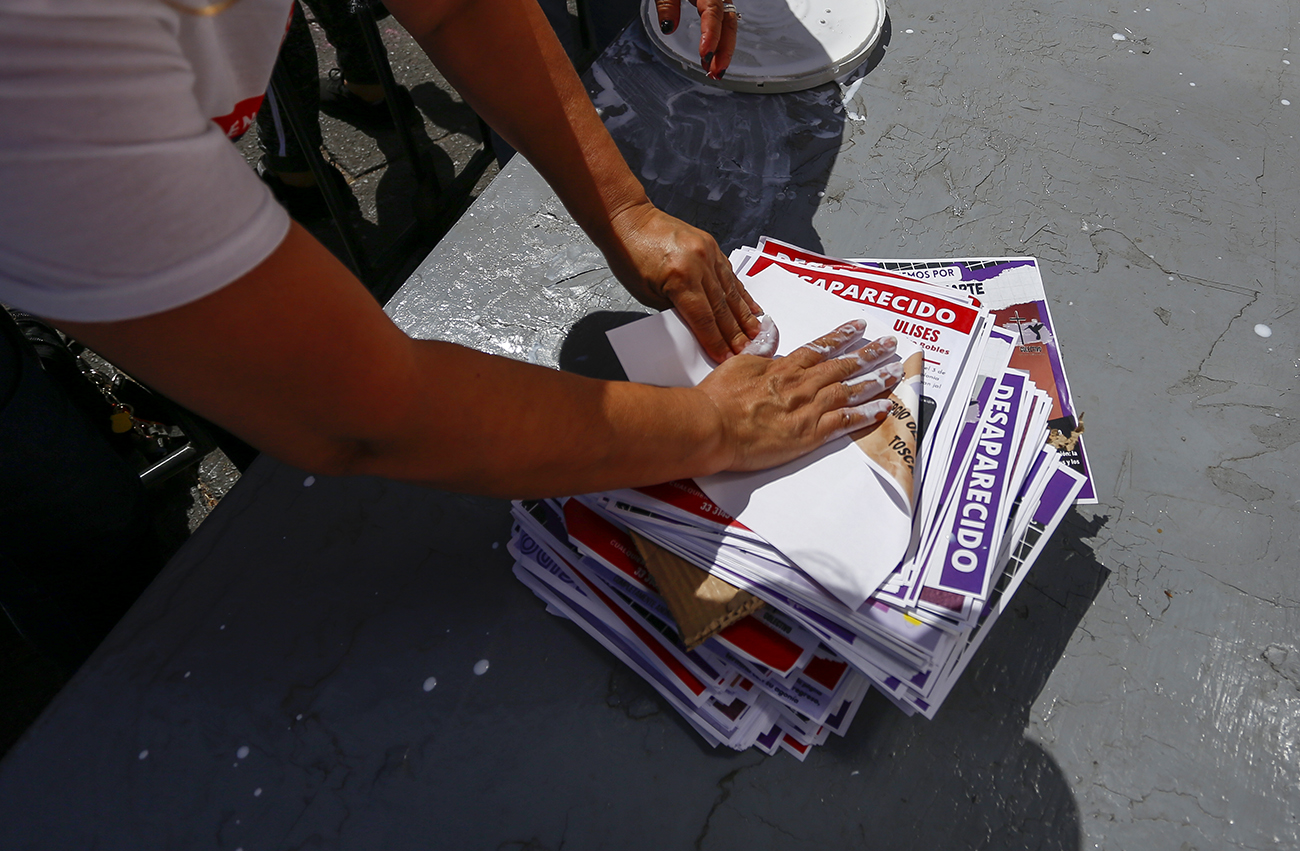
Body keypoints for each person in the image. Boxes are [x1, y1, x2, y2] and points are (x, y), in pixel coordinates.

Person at [0, 0, 897, 502]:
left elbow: (456, 5)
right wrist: (712, 428)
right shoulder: (44, 52)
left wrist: (624, 208)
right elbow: (355, 410)